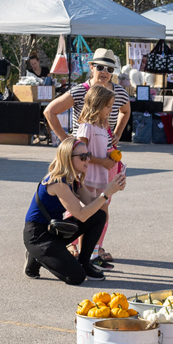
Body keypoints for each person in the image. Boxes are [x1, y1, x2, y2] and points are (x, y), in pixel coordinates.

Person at [24, 137, 126, 285]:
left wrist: (113, 188)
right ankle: (37, 256)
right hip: (38, 236)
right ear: (67, 158)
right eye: (83, 156)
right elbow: (81, 215)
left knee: (99, 216)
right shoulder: (58, 182)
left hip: (54, 230)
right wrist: (106, 193)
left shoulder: (74, 179)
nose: (88, 160)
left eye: (88, 155)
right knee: (76, 278)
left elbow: (93, 205)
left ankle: (84, 262)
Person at [44, 48, 131, 144]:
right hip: (81, 149)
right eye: (100, 67)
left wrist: (118, 133)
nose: (104, 72)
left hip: (106, 148)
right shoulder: (80, 91)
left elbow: (125, 111)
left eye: (109, 69)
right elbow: (49, 111)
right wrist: (65, 139)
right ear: (92, 68)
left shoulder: (119, 92)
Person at [75, 86, 119, 268]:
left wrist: (112, 157)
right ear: (97, 104)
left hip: (102, 177)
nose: (110, 110)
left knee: (103, 216)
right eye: (108, 106)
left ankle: (93, 253)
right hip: (88, 178)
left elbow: (103, 150)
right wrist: (102, 161)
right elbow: (81, 154)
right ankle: (84, 256)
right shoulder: (87, 127)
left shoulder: (103, 127)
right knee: (88, 216)